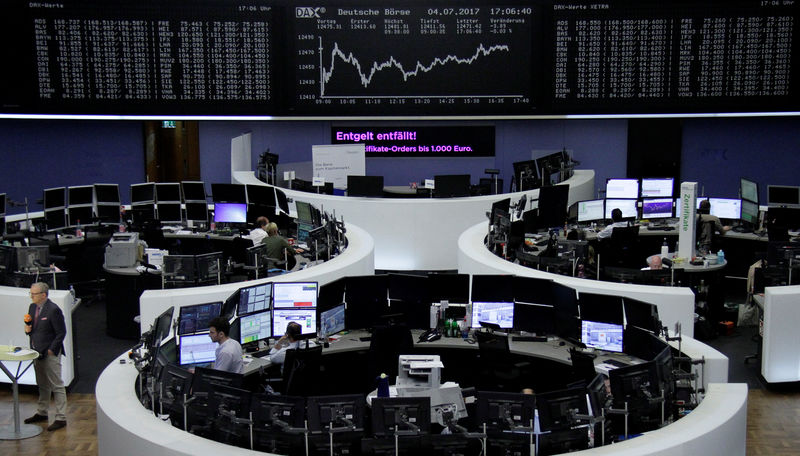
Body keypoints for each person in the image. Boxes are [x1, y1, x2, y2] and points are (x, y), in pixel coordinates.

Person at [23, 282, 68, 431]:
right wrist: (28, 331)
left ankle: (61, 417)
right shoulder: (32, 307)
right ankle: (42, 412)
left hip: (49, 353)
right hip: (37, 351)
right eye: (31, 293)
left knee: (56, 384)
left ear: (43, 295)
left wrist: (51, 350)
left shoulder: (53, 310)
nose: (31, 296)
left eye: (34, 294)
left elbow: (61, 333)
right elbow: (34, 329)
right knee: (42, 383)